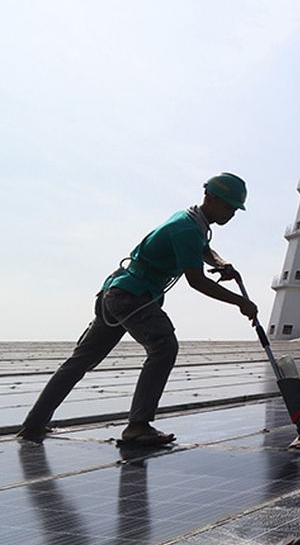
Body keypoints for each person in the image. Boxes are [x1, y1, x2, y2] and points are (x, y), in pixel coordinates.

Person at [18, 174, 258, 446]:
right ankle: (138, 426)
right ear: (210, 198)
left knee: (81, 360)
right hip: (132, 297)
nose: (231, 214)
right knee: (164, 347)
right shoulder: (187, 228)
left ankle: (34, 424)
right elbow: (197, 280)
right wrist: (241, 302)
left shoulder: (191, 220)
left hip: (119, 292)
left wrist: (222, 262)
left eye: (235, 210)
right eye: (228, 207)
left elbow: (204, 248)